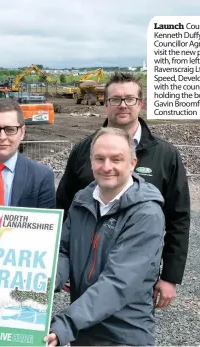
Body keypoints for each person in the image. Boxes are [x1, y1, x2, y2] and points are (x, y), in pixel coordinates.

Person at [56, 72, 190, 308]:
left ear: (140, 104)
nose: (122, 105)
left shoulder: (165, 155)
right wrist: (62, 264)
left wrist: (170, 276)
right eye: (115, 100)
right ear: (105, 104)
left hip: (137, 275)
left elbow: (178, 218)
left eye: (129, 99)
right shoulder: (83, 150)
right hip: (85, 272)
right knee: (83, 331)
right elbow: (64, 208)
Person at [44, 127, 165, 346]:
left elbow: (118, 283)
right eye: (100, 158)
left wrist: (66, 324)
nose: (107, 167)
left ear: (132, 163)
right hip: (84, 329)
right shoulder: (82, 201)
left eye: (116, 159)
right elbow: (63, 251)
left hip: (123, 334)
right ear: (91, 161)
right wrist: (43, 283)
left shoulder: (145, 214)